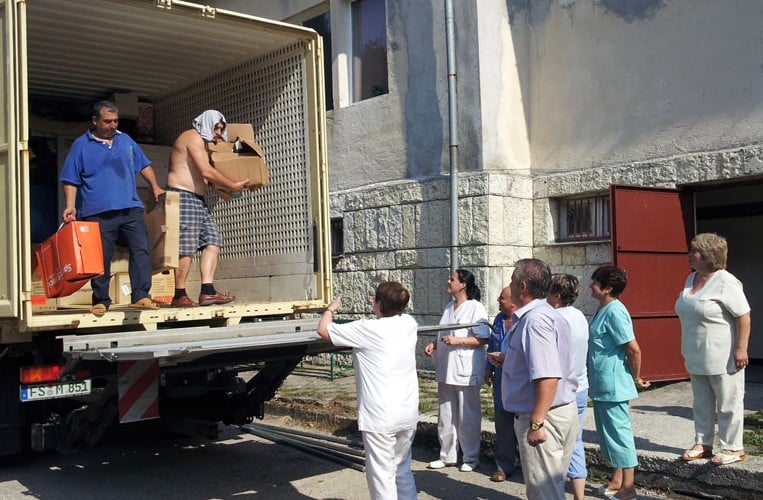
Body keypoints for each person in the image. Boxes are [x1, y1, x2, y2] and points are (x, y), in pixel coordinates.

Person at [60, 100, 165, 316]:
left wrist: (155, 186)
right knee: (100, 257)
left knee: (141, 249)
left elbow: (143, 165)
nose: (113, 125)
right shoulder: (81, 145)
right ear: (95, 120)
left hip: (131, 208)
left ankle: (141, 296)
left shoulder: (125, 140)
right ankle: (100, 300)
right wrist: (70, 206)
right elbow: (70, 178)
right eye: (108, 121)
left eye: (115, 121)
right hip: (97, 212)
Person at [317, 282, 419, 500]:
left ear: (379, 303)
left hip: (380, 415)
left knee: (382, 475)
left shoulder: (367, 328)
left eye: (375, 299)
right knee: (402, 469)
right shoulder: (410, 323)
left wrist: (330, 310)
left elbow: (323, 330)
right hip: (407, 411)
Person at [491, 258, 578, 500]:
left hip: (544, 416)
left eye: (512, 280)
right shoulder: (547, 314)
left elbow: (548, 376)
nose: (509, 285)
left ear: (523, 287)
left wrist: (537, 423)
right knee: (548, 489)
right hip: (556, 411)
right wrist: (509, 359)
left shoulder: (535, 320)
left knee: (545, 493)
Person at [675, 233, 751, 466]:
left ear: (708, 256)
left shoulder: (726, 281)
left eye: (694, 251)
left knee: (728, 401)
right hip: (696, 353)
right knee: (701, 401)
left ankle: (733, 447)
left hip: (723, 354)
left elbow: (743, 316)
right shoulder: (691, 279)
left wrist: (741, 349)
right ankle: (703, 442)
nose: (690, 255)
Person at [166, 110, 249, 307]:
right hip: (183, 196)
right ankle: (179, 294)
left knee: (213, 241)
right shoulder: (192, 138)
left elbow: (205, 177)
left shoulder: (203, 144)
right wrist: (231, 185)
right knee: (186, 247)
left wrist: (226, 189)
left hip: (197, 199)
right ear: (206, 123)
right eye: (216, 127)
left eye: (221, 128)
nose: (219, 132)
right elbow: (206, 170)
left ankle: (208, 291)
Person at [588, 265, 650, 500]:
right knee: (608, 435)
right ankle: (617, 479)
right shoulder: (601, 308)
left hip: (613, 382)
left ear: (607, 288)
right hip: (602, 382)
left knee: (620, 434)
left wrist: (635, 377)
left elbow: (633, 349)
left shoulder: (615, 311)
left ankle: (629, 487)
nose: (590, 285)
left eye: (594, 282)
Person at [424, 269, 490, 472]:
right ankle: (447, 455)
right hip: (446, 368)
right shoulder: (448, 307)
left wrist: (458, 340)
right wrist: (434, 344)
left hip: (466, 369)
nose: (448, 281)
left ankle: (470, 457)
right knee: (446, 414)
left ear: (463, 284)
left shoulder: (475, 308)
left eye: (452, 279)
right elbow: (445, 333)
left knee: (467, 415)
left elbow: (483, 338)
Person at [547, 273, 589, 500]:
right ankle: (579, 495)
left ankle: (553, 491)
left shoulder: (554, 318)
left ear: (555, 294)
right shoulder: (579, 315)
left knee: (553, 445)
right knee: (576, 440)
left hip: (561, 389)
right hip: (581, 384)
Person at [483, 287, 519, 482]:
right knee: (503, 421)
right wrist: (488, 367)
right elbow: (492, 344)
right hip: (500, 379)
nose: (498, 300)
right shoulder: (498, 319)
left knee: (522, 421)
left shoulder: (523, 320)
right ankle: (503, 465)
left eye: (502, 298)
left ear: (513, 302)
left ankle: (529, 466)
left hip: (519, 379)